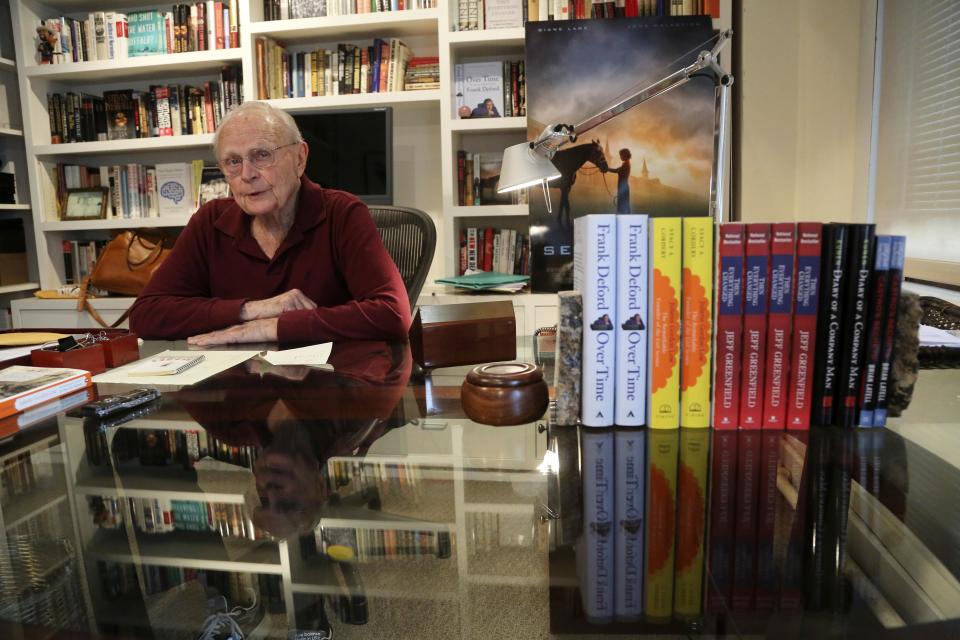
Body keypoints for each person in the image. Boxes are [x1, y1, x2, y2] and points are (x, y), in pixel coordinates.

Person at [128, 101, 410, 345]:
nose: (247, 174)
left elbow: (392, 314)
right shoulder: (210, 221)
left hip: (327, 388)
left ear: (300, 158)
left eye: (262, 155)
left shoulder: (342, 213)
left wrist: (274, 327)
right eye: (233, 161)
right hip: (234, 393)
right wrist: (251, 310)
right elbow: (145, 316)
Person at [603, 148, 632, 214]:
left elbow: (616, 170)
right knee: (624, 205)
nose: (620, 157)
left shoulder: (626, 164)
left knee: (623, 206)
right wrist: (607, 169)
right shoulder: (626, 163)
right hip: (623, 187)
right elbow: (617, 170)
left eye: (621, 155)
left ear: (625, 155)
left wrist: (606, 169)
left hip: (623, 187)